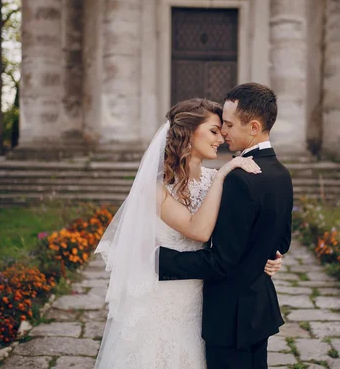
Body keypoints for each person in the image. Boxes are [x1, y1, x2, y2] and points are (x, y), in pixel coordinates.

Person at [93, 97, 284, 369]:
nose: (222, 137)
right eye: (214, 130)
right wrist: (224, 174)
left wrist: (268, 254)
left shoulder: (213, 177)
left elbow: (237, 233)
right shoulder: (158, 188)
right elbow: (199, 231)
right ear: (188, 132)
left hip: (207, 296)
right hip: (166, 296)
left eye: (223, 130)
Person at [158, 83, 294, 369]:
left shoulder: (236, 178)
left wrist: (162, 261)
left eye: (228, 125)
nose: (224, 133)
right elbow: (281, 242)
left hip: (230, 317)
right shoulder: (281, 173)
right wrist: (269, 258)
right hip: (259, 310)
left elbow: (222, 261)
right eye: (218, 128)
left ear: (254, 127)